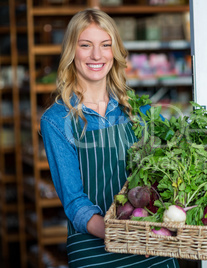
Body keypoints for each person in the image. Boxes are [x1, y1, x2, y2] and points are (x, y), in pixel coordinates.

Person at [40, 8, 179, 267]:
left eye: (105, 45)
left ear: (114, 52)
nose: (96, 55)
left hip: (150, 244)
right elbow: (74, 202)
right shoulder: (57, 120)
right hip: (95, 248)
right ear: (72, 51)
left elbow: (170, 170)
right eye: (85, 45)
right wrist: (121, 234)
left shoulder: (137, 109)